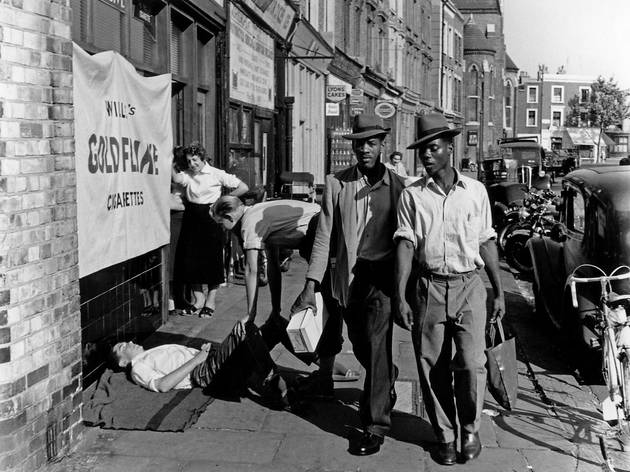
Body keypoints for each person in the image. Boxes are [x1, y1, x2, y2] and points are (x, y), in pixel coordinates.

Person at [292, 114, 409, 456]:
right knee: (361, 345)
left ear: (382, 145)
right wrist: (311, 284)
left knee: (375, 347)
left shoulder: (399, 188)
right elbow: (324, 237)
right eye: (359, 144)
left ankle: (373, 425)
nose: (364, 150)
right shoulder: (337, 184)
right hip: (348, 280)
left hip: (381, 281)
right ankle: (385, 378)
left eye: (371, 143)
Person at [393, 113, 505, 466]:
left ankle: (470, 428)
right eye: (422, 149)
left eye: (433, 148)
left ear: (449, 148)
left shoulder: (475, 192)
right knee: (431, 365)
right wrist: (401, 295)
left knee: (471, 363)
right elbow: (406, 245)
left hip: (469, 284)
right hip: (429, 286)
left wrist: (498, 290)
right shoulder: (413, 195)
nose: (426, 155)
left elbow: (486, 241)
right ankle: (445, 433)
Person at [212, 196, 359, 397]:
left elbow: (251, 269)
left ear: (229, 216)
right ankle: (326, 373)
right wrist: (275, 308)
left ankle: (325, 378)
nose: (224, 230)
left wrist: (251, 313)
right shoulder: (259, 214)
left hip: (322, 233)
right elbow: (273, 267)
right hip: (322, 233)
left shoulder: (248, 222)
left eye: (222, 225)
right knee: (327, 305)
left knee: (327, 306)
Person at [111, 320, 291, 407]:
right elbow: (162, 385)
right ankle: (273, 381)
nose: (128, 343)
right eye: (121, 347)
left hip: (210, 360)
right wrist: (197, 360)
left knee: (274, 325)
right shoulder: (137, 367)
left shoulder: (149, 353)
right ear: (122, 363)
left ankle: (311, 364)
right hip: (204, 372)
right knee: (242, 330)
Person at [171, 143, 248, 318]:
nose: (192, 164)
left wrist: (223, 201)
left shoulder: (216, 173)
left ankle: (210, 301)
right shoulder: (188, 174)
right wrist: (170, 161)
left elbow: (243, 187)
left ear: (203, 158)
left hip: (212, 219)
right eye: (189, 161)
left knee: (211, 260)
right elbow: (176, 179)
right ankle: (198, 300)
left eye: (195, 160)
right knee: (190, 259)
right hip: (191, 217)